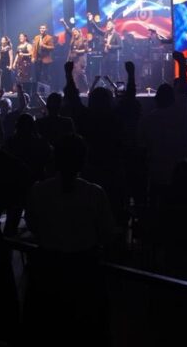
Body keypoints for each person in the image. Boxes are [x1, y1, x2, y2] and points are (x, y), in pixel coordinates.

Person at [23, 134, 115, 345]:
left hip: (47, 270)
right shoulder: (95, 194)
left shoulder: (39, 190)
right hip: (84, 271)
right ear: (83, 161)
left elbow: (32, 225)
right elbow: (107, 233)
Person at [30, 25, 55, 89]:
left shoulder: (49, 37)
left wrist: (44, 46)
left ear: (46, 29)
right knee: (37, 74)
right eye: (41, 28)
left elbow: (52, 47)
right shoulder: (36, 37)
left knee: (45, 75)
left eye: (43, 28)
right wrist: (33, 56)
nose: (42, 29)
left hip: (45, 59)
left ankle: (47, 89)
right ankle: (39, 90)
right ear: (39, 29)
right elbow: (34, 48)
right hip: (38, 59)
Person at [67, 26, 89, 93]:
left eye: (76, 32)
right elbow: (70, 51)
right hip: (74, 59)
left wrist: (79, 51)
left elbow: (86, 50)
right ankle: (76, 89)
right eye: (73, 33)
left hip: (81, 60)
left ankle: (87, 88)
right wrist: (68, 59)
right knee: (74, 75)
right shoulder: (72, 40)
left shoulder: (83, 39)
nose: (74, 34)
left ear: (79, 32)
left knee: (81, 74)